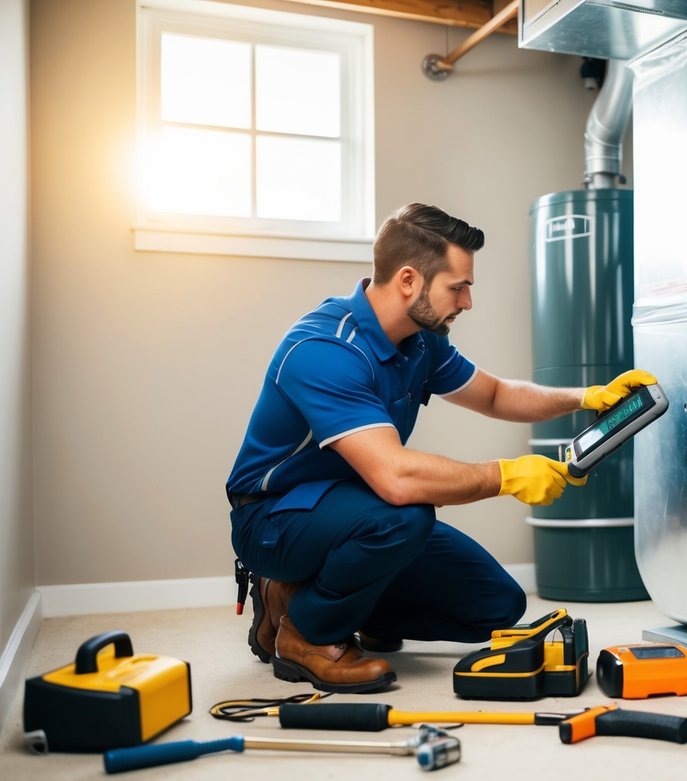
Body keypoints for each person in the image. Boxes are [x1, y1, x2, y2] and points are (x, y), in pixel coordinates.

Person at [225, 203, 656, 693]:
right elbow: (397, 478)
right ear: (409, 279)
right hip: (275, 517)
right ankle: (304, 632)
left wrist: (587, 397)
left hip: (361, 506)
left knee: (495, 606)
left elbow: (495, 394)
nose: (467, 301)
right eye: (459, 286)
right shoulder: (326, 350)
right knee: (405, 515)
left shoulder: (420, 340)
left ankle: (330, 598)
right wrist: (508, 476)